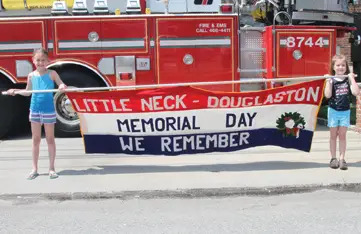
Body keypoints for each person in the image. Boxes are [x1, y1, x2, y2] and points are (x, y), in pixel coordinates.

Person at [7, 48, 67, 179]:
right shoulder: (31, 76)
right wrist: (15, 91)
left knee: (50, 139)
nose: (41, 62)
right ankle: (34, 169)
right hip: (34, 110)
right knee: (36, 140)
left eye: (43, 60)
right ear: (33, 61)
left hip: (48, 110)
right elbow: (28, 92)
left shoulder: (52, 73)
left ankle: (51, 168)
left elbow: (61, 84)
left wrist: (62, 86)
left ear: (48, 61)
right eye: (38, 60)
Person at [324, 54, 360, 170]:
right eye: (338, 65)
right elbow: (327, 95)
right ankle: (333, 158)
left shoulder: (347, 79)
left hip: (345, 112)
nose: (340, 67)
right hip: (333, 111)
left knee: (343, 136)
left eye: (343, 65)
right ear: (333, 67)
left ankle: (342, 159)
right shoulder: (331, 79)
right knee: (333, 135)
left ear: (346, 67)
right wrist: (328, 82)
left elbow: (355, 92)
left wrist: (352, 78)